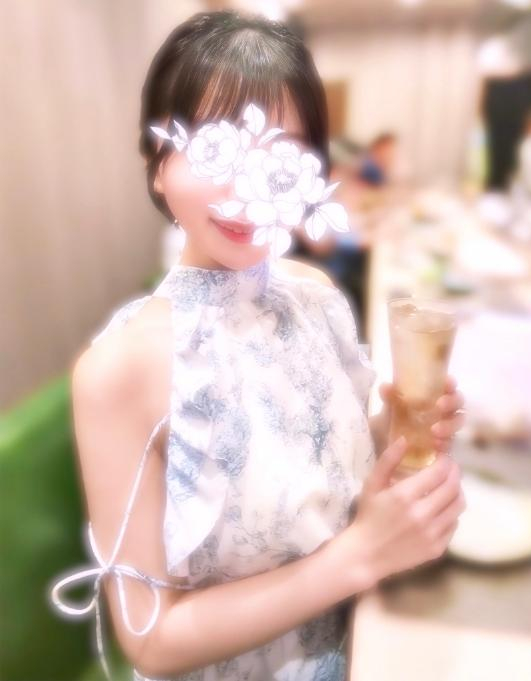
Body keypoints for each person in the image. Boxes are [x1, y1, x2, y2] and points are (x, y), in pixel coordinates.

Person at [48, 11, 466, 681]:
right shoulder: (120, 370)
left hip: (369, 643)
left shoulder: (315, 294)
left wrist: (392, 430)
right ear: (158, 165)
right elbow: (152, 640)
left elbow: (312, 474)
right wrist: (360, 554)